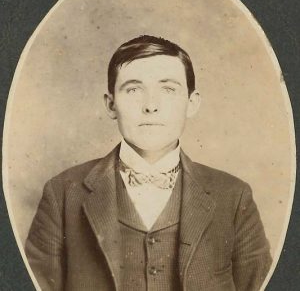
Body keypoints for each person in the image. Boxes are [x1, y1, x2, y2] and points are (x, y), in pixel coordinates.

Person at [25, 35, 272, 291]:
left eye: (168, 89)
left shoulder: (233, 196)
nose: (151, 106)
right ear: (111, 105)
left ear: (191, 103)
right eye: (133, 89)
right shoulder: (63, 193)